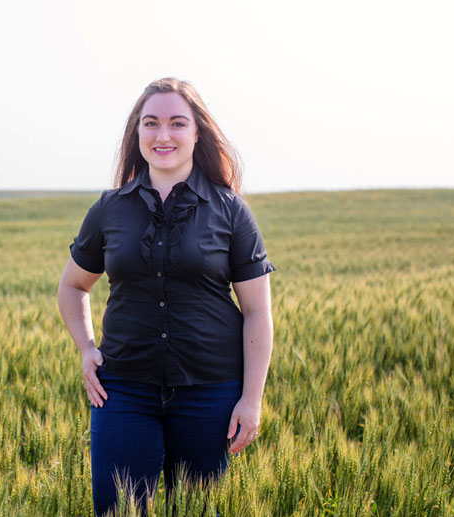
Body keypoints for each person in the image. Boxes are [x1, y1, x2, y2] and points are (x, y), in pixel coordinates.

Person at [57, 77, 276, 516]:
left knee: (196, 511)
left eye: (177, 123)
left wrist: (251, 400)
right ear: (136, 134)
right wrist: (86, 349)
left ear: (197, 133)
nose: (163, 135)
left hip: (209, 392)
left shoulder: (230, 210)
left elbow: (257, 312)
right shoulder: (110, 208)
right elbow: (72, 286)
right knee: (117, 510)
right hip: (123, 391)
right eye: (150, 123)